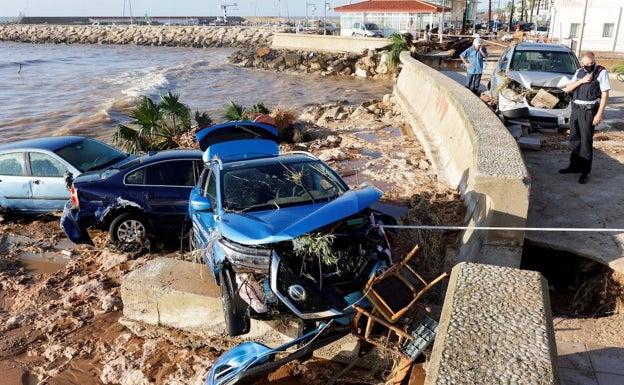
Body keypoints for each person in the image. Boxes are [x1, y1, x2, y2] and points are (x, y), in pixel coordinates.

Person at [559, 51, 610, 184]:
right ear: (582, 63)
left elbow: (605, 95)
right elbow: (568, 89)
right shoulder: (579, 72)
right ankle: (574, 167)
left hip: (589, 111)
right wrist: (581, 81)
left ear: (594, 60)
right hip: (576, 109)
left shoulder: (601, 72)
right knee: (574, 139)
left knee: (586, 142)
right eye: (587, 64)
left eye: (592, 63)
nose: (589, 65)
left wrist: (599, 113)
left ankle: (585, 171)